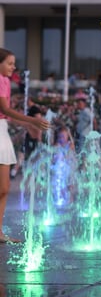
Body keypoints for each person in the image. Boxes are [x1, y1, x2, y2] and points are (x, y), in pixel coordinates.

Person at [0, 48, 50, 242]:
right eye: (10, 63)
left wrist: (29, 124)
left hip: (2, 130)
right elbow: (4, 108)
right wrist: (32, 120)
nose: (14, 67)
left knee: (4, 188)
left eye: (14, 63)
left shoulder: (5, 81)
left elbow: (6, 114)